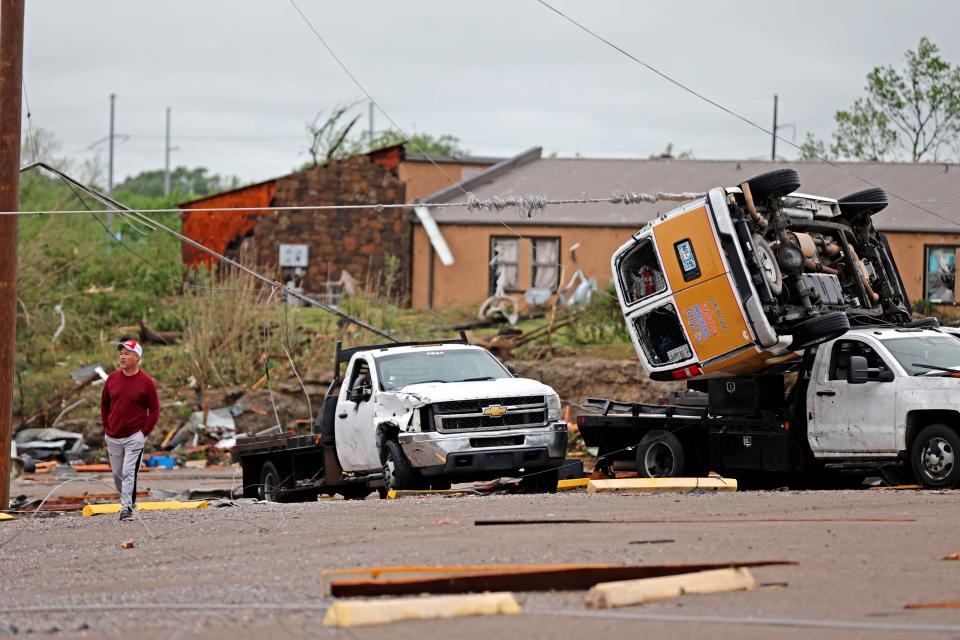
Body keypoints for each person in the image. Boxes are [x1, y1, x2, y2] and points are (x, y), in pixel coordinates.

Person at [100, 339, 160, 521]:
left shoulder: (146, 382)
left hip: (135, 435)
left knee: (128, 472)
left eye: (127, 353)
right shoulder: (112, 379)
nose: (122, 356)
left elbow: (155, 410)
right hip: (113, 435)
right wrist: (106, 425)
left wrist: (144, 433)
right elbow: (104, 404)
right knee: (118, 474)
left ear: (137, 357)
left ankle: (126, 508)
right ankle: (129, 501)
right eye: (121, 353)